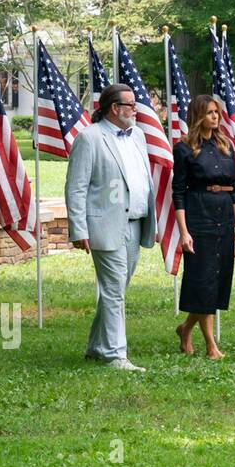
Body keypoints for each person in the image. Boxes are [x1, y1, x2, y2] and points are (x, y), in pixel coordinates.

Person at [65, 83, 157, 372]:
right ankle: (116, 355)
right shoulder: (90, 138)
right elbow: (76, 187)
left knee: (115, 288)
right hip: (105, 225)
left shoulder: (138, 136)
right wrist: (78, 229)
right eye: (131, 105)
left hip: (135, 223)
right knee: (114, 289)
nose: (136, 110)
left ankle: (96, 346)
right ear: (114, 108)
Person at [172, 94, 235, 359]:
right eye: (209, 113)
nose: (215, 116)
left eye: (216, 112)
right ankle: (211, 346)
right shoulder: (184, 148)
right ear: (198, 116)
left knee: (215, 280)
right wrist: (184, 231)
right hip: (199, 216)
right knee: (203, 279)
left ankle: (185, 329)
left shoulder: (227, 147)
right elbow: (178, 192)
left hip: (224, 216)